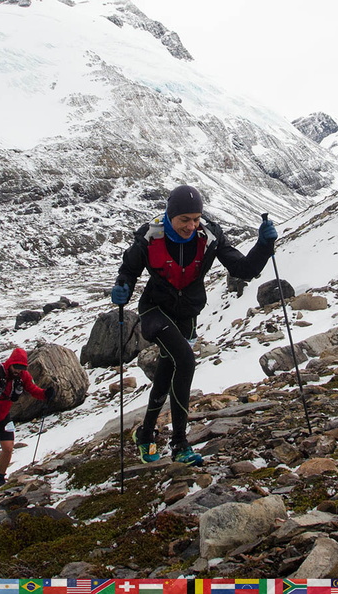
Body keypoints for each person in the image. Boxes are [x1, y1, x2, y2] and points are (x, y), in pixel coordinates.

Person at [111, 184, 277, 466]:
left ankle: (146, 434)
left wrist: (263, 246)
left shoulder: (209, 236)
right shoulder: (150, 236)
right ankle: (179, 444)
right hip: (155, 310)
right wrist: (122, 287)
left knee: (167, 371)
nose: (191, 226)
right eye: (184, 219)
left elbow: (244, 269)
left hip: (187, 314)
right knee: (185, 361)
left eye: (196, 219)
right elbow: (129, 270)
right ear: (170, 215)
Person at [0, 347, 54, 493]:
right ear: (10, 363)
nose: (18, 370)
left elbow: (33, 389)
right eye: (16, 367)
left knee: (8, 447)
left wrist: (45, 394)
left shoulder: (23, 376)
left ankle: (0, 478)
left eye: (22, 368)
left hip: (2, 414)